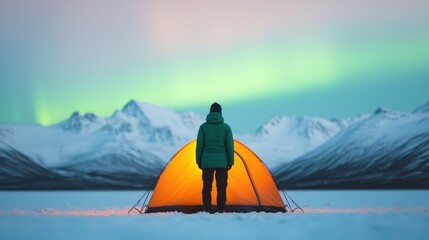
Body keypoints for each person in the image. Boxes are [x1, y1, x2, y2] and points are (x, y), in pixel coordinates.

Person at [196, 102, 234, 213]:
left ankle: (207, 208)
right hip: (222, 163)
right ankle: (221, 209)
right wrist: (230, 162)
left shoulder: (203, 127)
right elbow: (230, 146)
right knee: (221, 187)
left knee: (207, 187)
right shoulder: (226, 128)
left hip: (206, 162)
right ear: (220, 112)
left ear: (210, 111)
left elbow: (199, 146)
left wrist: (199, 161)